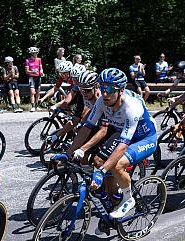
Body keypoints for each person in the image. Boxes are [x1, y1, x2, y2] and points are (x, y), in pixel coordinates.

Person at [65, 68, 157, 220]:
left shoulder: (131, 107)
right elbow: (87, 127)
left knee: (116, 165)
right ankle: (113, 199)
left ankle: (128, 198)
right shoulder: (102, 101)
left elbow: (123, 145)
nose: (104, 93)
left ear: (121, 90)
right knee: (99, 161)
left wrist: (101, 172)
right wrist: (69, 153)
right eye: (102, 88)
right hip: (122, 133)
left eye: (109, 89)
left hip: (144, 138)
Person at [25, 47, 44, 111]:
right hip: (32, 77)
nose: (36, 54)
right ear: (32, 54)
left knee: (38, 92)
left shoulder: (39, 59)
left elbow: (41, 67)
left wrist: (41, 71)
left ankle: (37, 105)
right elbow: (26, 71)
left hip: (38, 77)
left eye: (36, 53)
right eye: (35, 53)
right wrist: (33, 72)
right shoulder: (27, 60)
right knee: (32, 92)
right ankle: (32, 106)